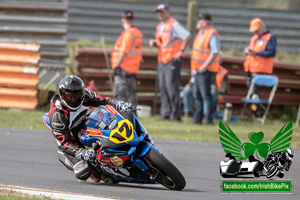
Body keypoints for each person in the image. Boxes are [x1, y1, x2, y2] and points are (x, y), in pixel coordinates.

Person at [48, 75, 133, 182]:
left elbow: (103, 101)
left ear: (82, 93)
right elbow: (64, 143)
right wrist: (81, 151)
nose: (73, 99)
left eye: (76, 95)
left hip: (84, 122)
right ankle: (97, 170)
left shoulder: (86, 95)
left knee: (107, 125)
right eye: (69, 96)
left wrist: (118, 104)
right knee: (84, 173)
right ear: (62, 96)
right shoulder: (58, 116)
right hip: (70, 138)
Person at [149, 3, 191, 121]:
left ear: (168, 12)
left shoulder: (174, 24)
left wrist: (181, 51)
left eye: (162, 12)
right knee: (163, 87)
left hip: (172, 60)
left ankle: (175, 115)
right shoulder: (160, 26)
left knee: (172, 87)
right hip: (162, 60)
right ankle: (165, 114)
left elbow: (187, 36)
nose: (160, 14)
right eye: (159, 12)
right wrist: (155, 43)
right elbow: (164, 43)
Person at [191, 13, 221, 125]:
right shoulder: (201, 34)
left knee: (205, 95)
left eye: (199, 21)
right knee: (197, 94)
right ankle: (197, 119)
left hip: (206, 70)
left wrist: (205, 66)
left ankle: (208, 120)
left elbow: (214, 52)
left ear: (205, 23)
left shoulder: (211, 34)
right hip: (198, 70)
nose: (197, 23)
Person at [111, 10, 143, 107]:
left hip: (123, 69)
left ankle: (124, 117)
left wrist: (116, 65)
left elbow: (124, 51)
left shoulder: (128, 34)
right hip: (132, 68)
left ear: (123, 21)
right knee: (131, 95)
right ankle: (133, 117)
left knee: (121, 96)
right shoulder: (137, 33)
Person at [243, 17, 277, 97]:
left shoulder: (270, 37)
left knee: (254, 93)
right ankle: (252, 108)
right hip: (249, 68)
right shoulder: (254, 38)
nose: (256, 32)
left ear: (262, 27)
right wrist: (247, 51)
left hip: (260, 69)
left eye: (257, 30)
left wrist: (257, 53)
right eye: (254, 31)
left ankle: (256, 109)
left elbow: (271, 53)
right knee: (248, 93)